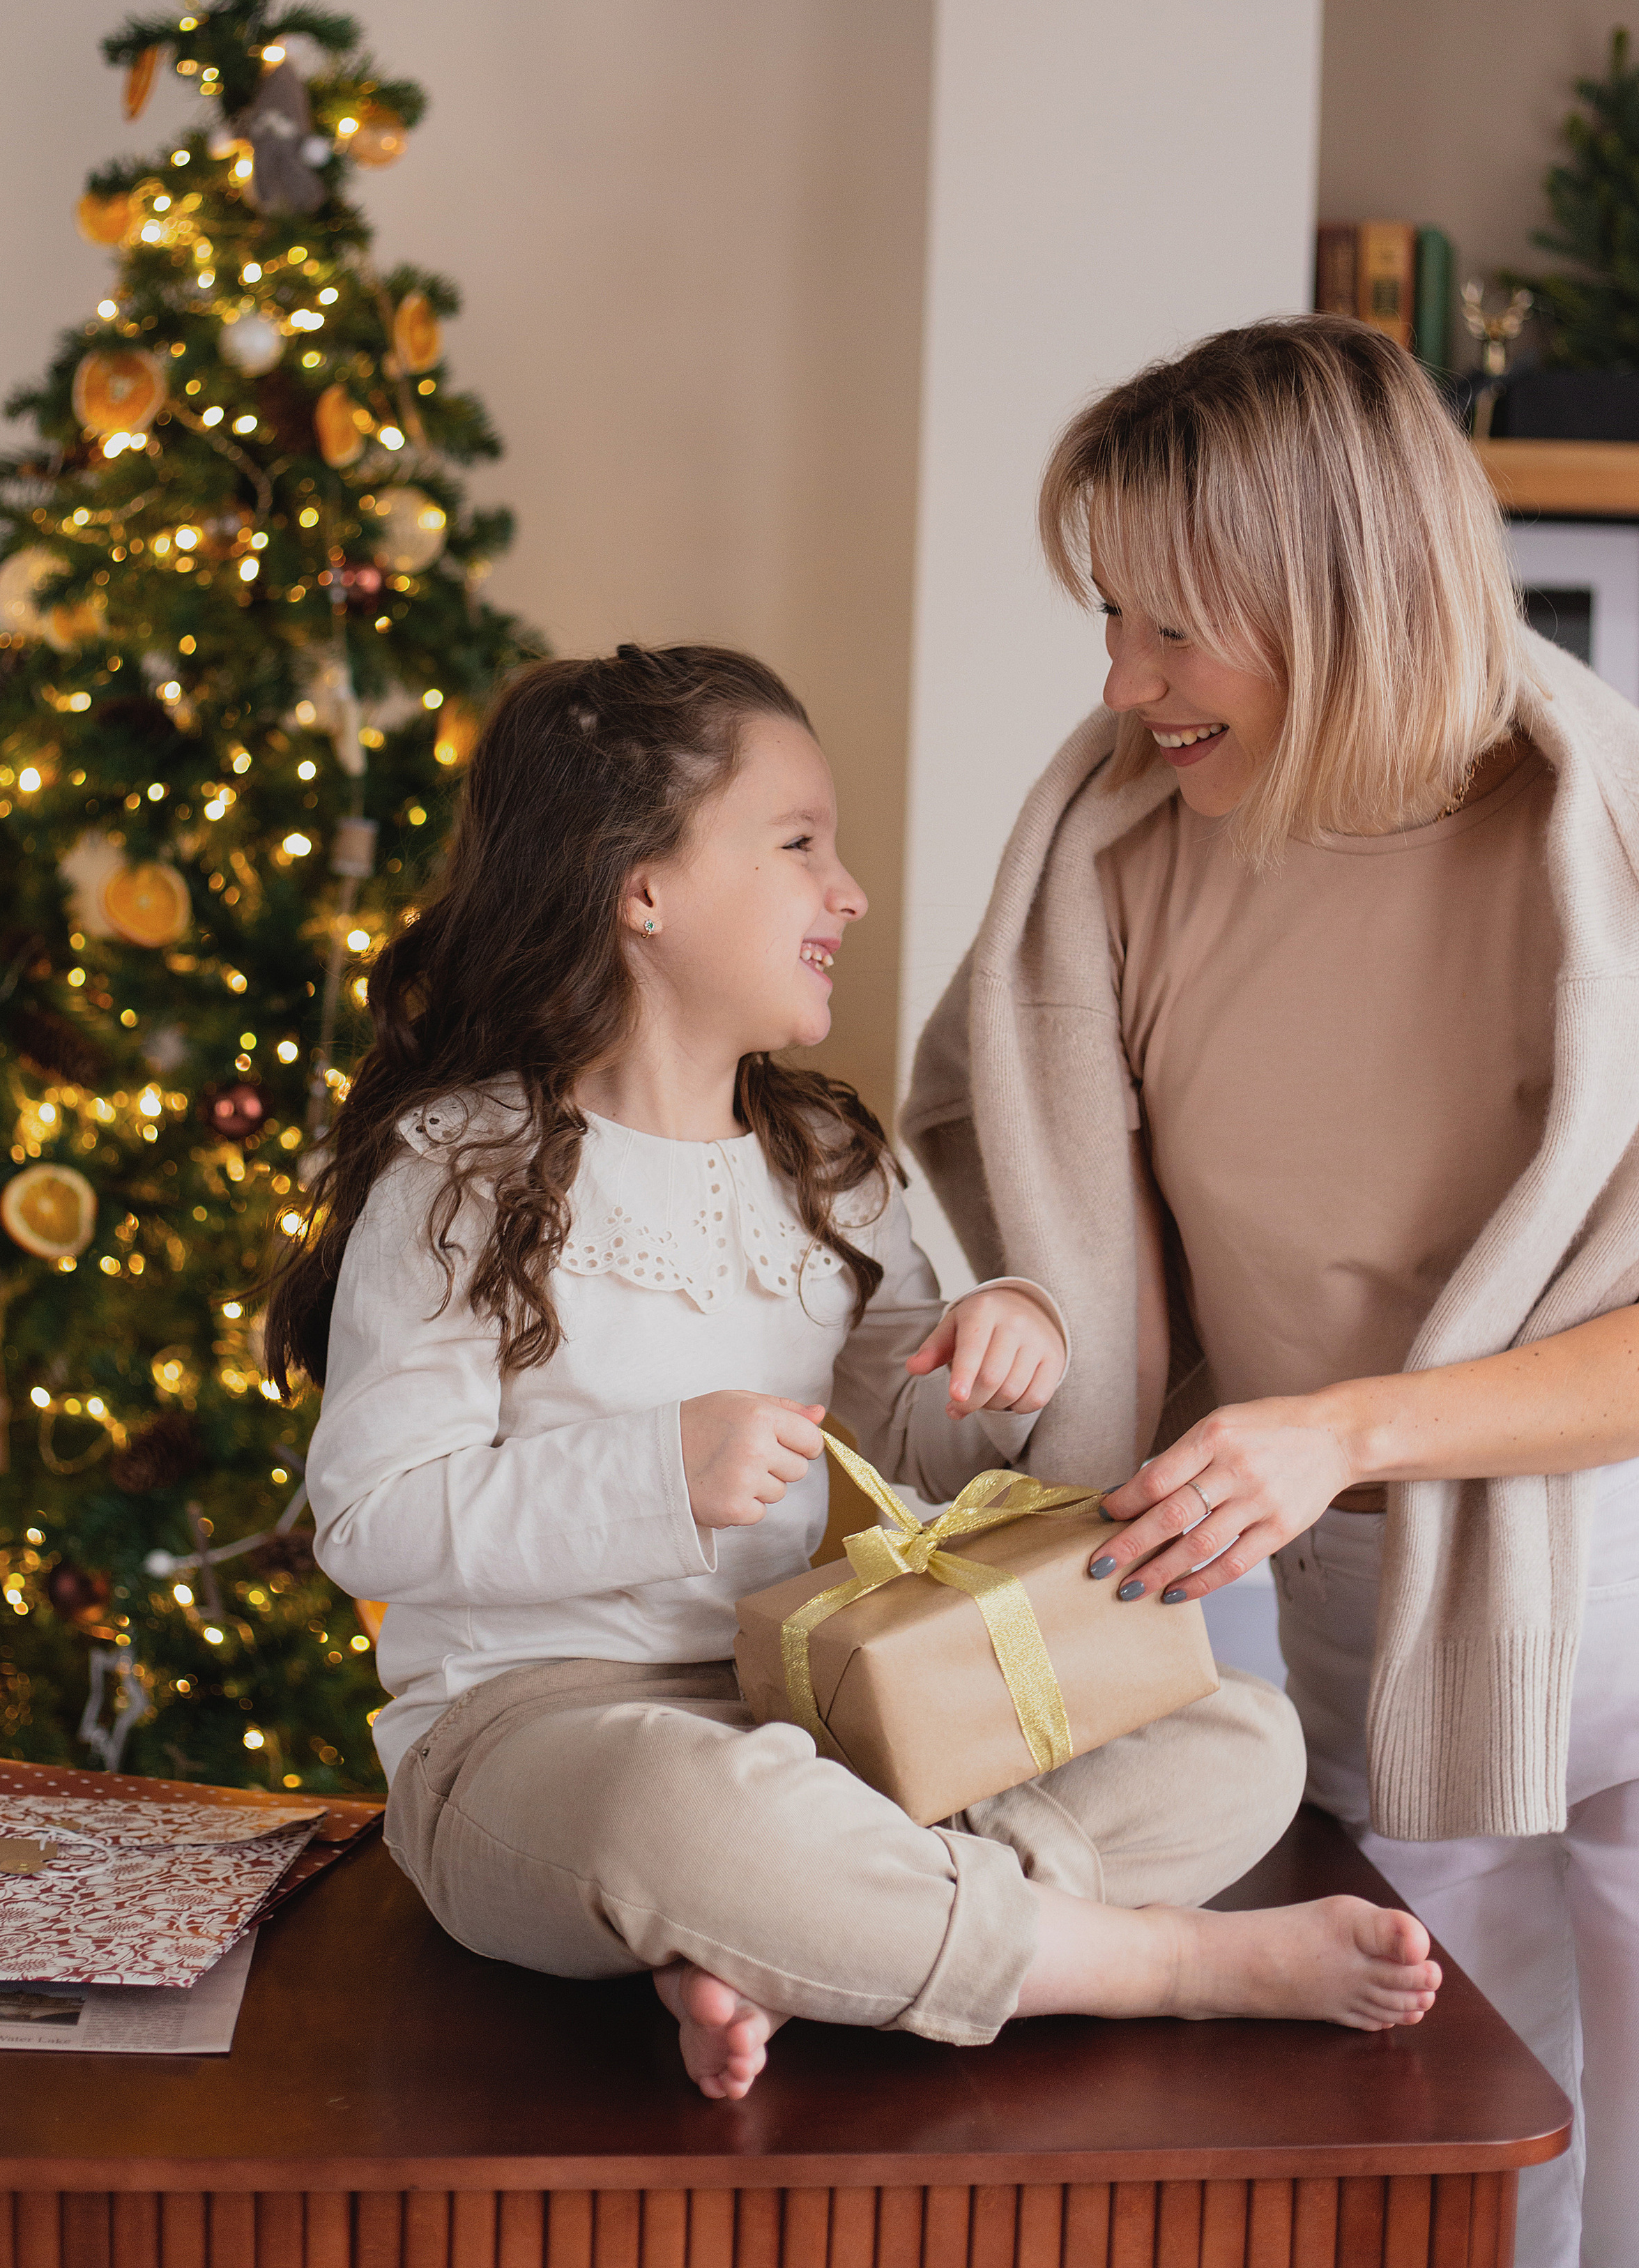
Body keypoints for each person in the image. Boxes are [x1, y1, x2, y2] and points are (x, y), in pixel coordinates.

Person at [270, 641, 1440, 2104]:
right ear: (640, 889)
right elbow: (369, 1518)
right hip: (534, 1736)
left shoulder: (825, 1160)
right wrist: (656, 1473)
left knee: (1234, 1735)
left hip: (831, 1706)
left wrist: (992, 1364)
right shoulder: (462, 1173)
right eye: (798, 844)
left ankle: (805, 1940)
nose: (849, 892)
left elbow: (915, 1460)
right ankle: (1149, 1961)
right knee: (684, 1812)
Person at [905, 318, 1639, 2265]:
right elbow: (1029, 1188)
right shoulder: (1113, 855)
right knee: (1432, 2165)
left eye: (1176, 632)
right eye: (1113, 626)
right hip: (1328, 1616)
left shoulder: (1607, 844)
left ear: (1339, 592)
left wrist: (1346, 1432)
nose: (1129, 688)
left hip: (1608, 1566)